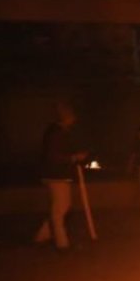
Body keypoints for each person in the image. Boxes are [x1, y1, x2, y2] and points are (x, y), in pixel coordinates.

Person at [34, 102, 86, 250]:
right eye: (71, 116)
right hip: (55, 175)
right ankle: (62, 243)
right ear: (66, 117)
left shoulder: (59, 132)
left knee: (62, 207)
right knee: (59, 210)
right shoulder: (56, 133)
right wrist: (73, 158)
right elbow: (53, 156)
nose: (74, 119)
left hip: (59, 174)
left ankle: (42, 235)